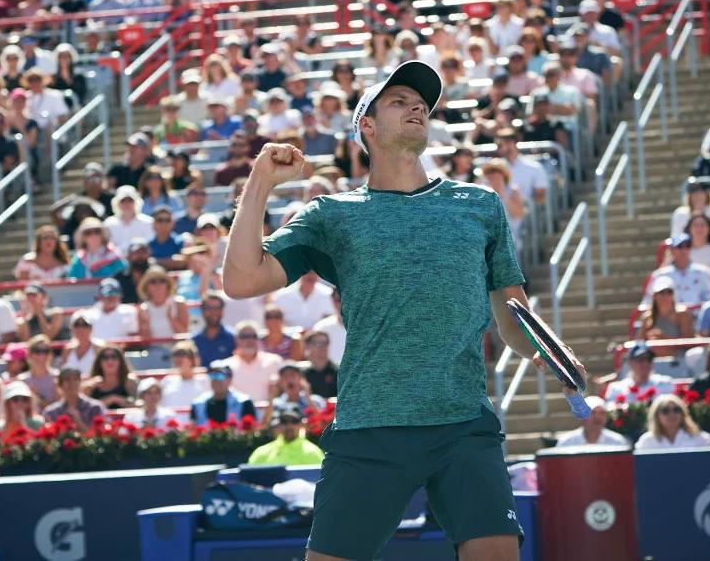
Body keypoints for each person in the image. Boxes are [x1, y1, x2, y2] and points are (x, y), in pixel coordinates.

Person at [223, 60, 584, 560]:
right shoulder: (331, 215)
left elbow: (513, 320)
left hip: (464, 424)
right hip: (369, 427)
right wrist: (260, 182)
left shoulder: (479, 204)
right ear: (365, 127)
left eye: (421, 102)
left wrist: (550, 351)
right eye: (398, 100)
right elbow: (241, 279)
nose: (417, 105)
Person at [642, 235, 710, 307]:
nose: (684, 250)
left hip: (697, 319)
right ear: (671, 249)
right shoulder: (660, 275)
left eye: (687, 246)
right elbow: (648, 302)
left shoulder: (703, 272)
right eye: (679, 246)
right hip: (669, 319)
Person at [247, 402, 325, 465]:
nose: (289, 426)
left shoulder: (313, 453)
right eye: (284, 421)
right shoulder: (261, 453)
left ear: (301, 424)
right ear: (279, 424)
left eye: (294, 421)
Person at [226, 321, 284, 403]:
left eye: (253, 336)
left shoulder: (275, 361)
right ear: (236, 339)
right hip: (237, 414)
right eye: (244, 336)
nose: (249, 340)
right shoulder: (225, 366)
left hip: (268, 413)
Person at [634, 394, 710, 450]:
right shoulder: (647, 441)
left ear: (683, 413)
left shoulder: (700, 438)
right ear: (656, 416)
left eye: (676, 410)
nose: (672, 414)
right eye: (665, 411)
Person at [605, 342, 675, 405]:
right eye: (640, 360)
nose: (645, 363)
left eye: (649, 359)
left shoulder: (665, 384)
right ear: (630, 363)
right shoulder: (616, 389)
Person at [190, 361, 257, 426]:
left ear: (230, 379)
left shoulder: (244, 402)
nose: (215, 380)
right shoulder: (198, 404)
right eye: (212, 375)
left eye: (220, 375)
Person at [138, 266, 189, 338]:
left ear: (168, 285)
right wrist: (146, 323)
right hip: (155, 348)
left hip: (178, 346)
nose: (158, 285)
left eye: (162, 281)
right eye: (153, 281)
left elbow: (185, 334)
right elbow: (145, 343)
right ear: (146, 286)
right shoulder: (143, 308)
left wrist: (171, 319)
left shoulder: (179, 303)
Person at [557, 396, 629, 447]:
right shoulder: (566, 442)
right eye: (592, 412)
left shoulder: (618, 442)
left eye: (602, 413)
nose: (598, 417)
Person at [160, 341, 211, 411]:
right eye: (175, 354)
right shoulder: (167, 381)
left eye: (182, 354)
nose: (177, 358)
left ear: (192, 359)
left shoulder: (205, 380)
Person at [18, 334, 60, 406]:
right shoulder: (22, 380)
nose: (42, 355)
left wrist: (37, 397)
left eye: (45, 350)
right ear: (29, 354)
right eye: (37, 351)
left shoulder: (58, 377)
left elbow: (58, 410)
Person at [58, 311, 100, 377]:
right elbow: (62, 375)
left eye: (85, 325)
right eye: (76, 325)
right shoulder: (67, 350)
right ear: (72, 329)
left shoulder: (99, 348)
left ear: (91, 328)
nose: (80, 329)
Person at [311, 288, 347, 364]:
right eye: (339, 300)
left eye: (347, 300)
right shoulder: (321, 327)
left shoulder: (364, 328)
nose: (344, 304)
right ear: (333, 301)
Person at [303, 329, 338, 399]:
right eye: (318, 343)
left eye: (325, 343)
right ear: (307, 346)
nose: (323, 346)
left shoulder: (339, 372)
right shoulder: (303, 375)